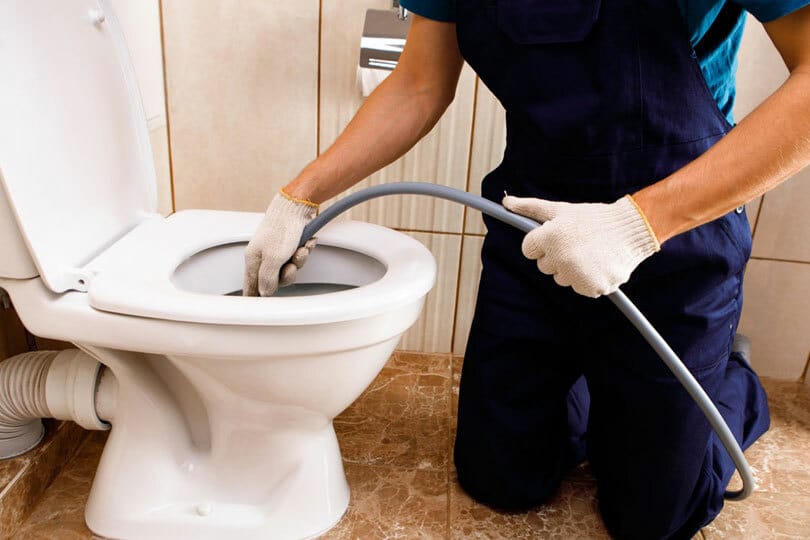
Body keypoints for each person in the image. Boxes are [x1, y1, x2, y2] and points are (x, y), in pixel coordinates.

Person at [243, 1, 810, 537]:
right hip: (533, 235)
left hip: (673, 244)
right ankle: (610, 381)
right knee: (501, 479)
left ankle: (730, 372)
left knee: (654, 518)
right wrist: (300, 197)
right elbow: (419, 82)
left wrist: (640, 223)